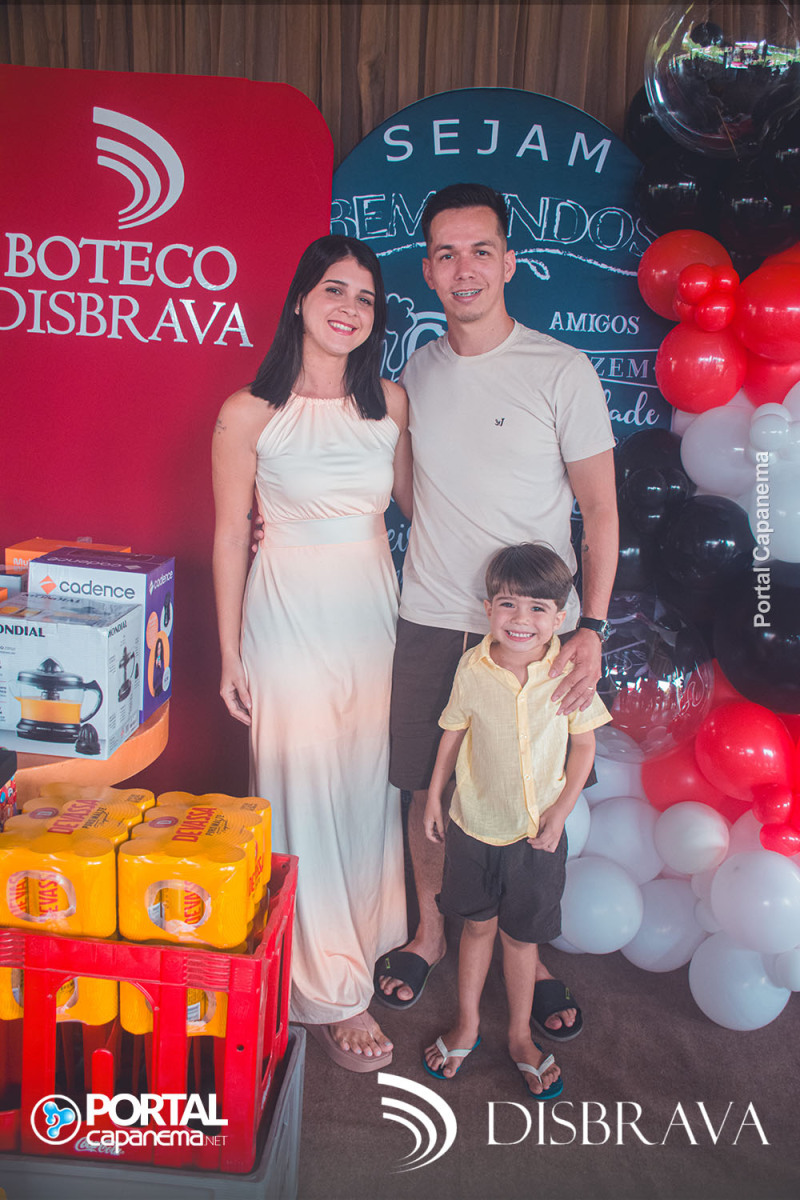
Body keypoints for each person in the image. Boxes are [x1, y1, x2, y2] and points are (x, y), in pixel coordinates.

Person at [376, 183, 618, 1038]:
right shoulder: (419, 371)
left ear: (510, 262)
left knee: (525, 788)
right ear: (428, 271)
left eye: (480, 250)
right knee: (426, 783)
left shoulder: (561, 369)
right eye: (446, 253)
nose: (464, 268)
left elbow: (601, 511)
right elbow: (411, 491)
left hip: (529, 630)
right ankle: (431, 931)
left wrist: (590, 627)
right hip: (433, 611)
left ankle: (527, 950)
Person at [212, 234, 412, 1072]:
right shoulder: (247, 412)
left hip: (372, 614)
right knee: (299, 788)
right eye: (335, 290)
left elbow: (422, 508)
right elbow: (231, 534)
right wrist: (230, 653)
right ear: (300, 299)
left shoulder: (390, 403)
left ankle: (361, 942)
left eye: (365, 298)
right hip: (286, 611)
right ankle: (328, 991)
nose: (349, 309)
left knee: (365, 789)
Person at [422, 543, 612, 1096]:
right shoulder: (472, 667)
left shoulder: (568, 671)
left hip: (537, 837)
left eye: (537, 608)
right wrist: (433, 796)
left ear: (560, 617)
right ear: (488, 610)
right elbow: (453, 731)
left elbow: (584, 747)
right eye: (508, 604)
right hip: (474, 827)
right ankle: (467, 1025)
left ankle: (520, 1037)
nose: (521, 619)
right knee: (477, 927)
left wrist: (561, 811)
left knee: (521, 940)